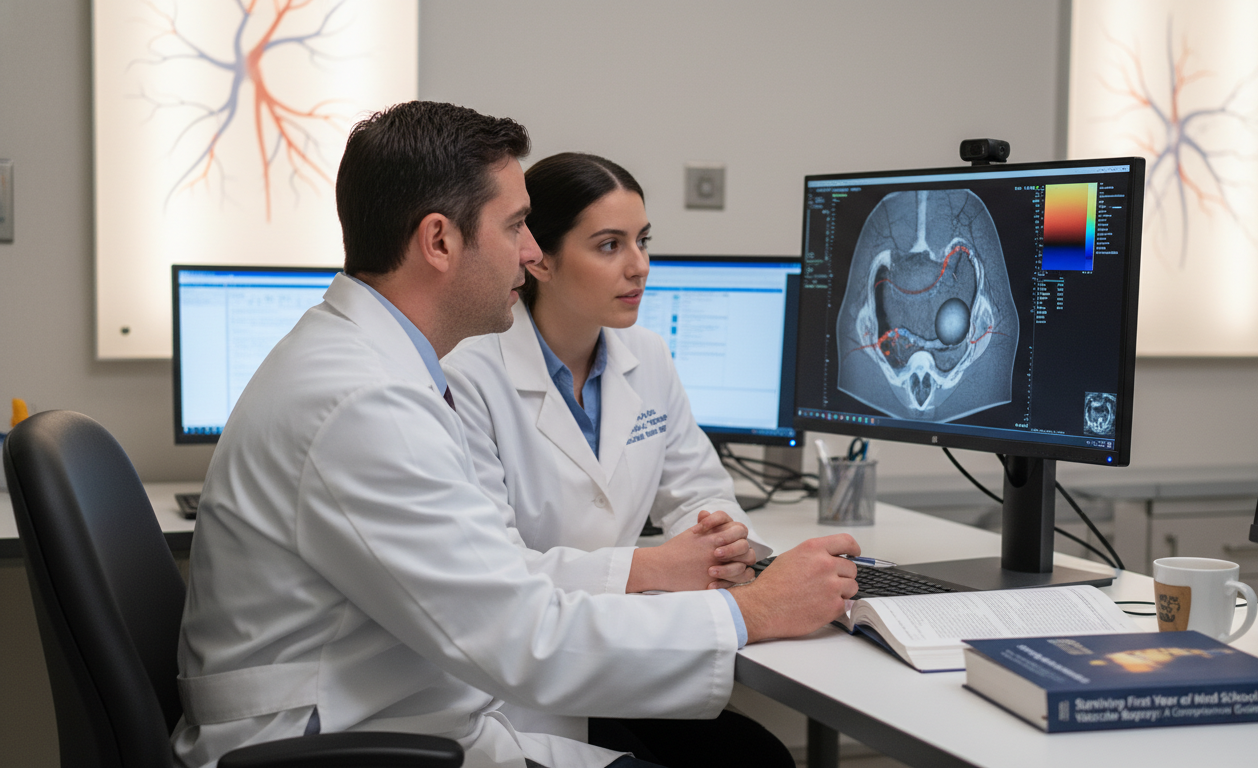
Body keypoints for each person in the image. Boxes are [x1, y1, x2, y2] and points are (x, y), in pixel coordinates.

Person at [172, 100, 860, 768]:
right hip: (336, 742)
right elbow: (524, 636)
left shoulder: (374, 365)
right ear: (439, 241)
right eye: (517, 226)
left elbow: (499, 600)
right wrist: (754, 612)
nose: (531, 253)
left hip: (406, 715)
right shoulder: (364, 402)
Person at [442, 152, 786, 763]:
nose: (639, 266)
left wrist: (722, 539)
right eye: (608, 246)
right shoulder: (469, 371)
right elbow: (498, 577)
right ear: (539, 257)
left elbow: (698, 489)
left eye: (643, 241)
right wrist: (655, 567)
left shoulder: (645, 354)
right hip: (516, 683)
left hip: (617, 657)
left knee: (758, 757)